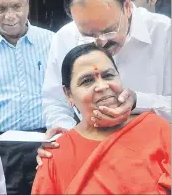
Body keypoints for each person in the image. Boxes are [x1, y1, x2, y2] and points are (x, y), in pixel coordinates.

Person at [38, 0, 171, 163]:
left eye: (109, 30)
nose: (101, 43)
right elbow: (55, 101)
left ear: (126, 6)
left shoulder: (165, 34)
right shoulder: (65, 38)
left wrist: (139, 102)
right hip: (89, 157)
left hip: (156, 157)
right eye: (88, 35)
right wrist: (64, 137)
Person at [32, 43, 171, 194]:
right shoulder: (55, 154)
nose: (102, 86)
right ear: (68, 95)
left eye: (108, 75)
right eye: (87, 81)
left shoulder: (156, 130)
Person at [0, 0, 54, 194]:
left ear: (27, 3)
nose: (10, 16)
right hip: (0, 148)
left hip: (45, 142)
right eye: (0, 9)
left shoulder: (52, 42)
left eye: (16, 7)